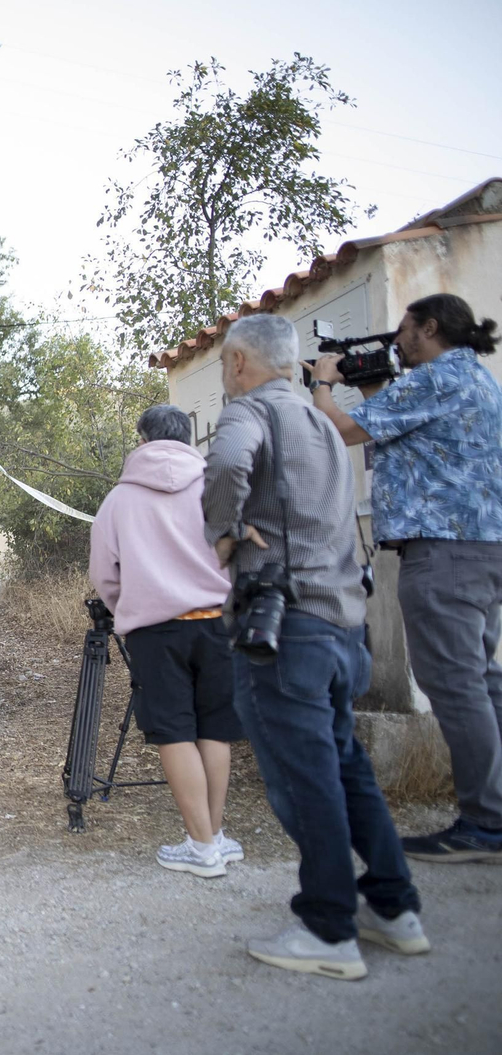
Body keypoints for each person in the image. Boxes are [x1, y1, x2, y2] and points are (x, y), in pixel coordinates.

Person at [204, 313, 424, 981]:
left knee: (306, 782)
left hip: (285, 632)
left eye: (223, 364)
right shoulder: (322, 421)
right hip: (341, 627)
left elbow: (225, 461)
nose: (223, 376)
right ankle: (393, 908)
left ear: (241, 361)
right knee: (346, 769)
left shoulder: (251, 412)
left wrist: (225, 532)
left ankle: (329, 927)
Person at [307, 294, 502, 864]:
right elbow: (402, 435)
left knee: (454, 684)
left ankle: (486, 824)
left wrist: (322, 383)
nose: (397, 342)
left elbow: (340, 432)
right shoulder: (474, 377)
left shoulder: (435, 377)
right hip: (481, 547)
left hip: (443, 552)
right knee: (481, 682)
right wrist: (371, 389)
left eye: (404, 331)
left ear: (430, 328)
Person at [89, 404, 240, 879]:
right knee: (215, 729)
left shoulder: (119, 501)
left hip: (156, 630)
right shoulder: (216, 487)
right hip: (219, 624)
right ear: (190, 438)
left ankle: (200, 847)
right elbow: (239, 553)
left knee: (175, 731)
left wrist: (125, 609)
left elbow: (104, 575)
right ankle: (213, 839)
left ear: (142, 440)